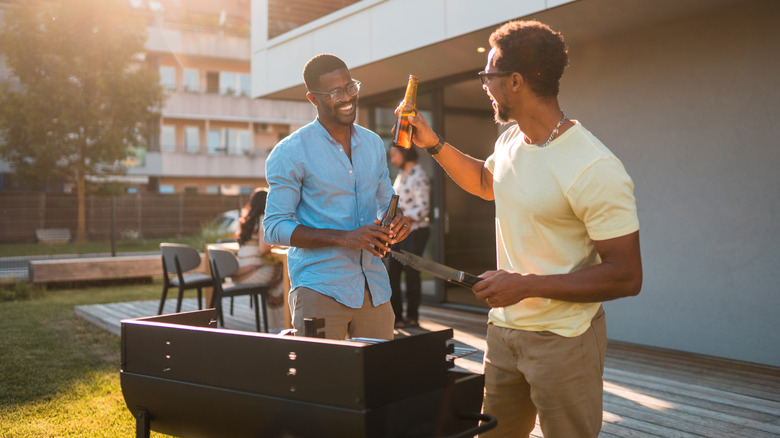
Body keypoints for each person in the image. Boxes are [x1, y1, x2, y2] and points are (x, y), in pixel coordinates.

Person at [405, 20, 643, 438]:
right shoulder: (511, 139)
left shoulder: (594, 167)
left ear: (515, 81)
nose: (483, 84)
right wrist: (433, 143)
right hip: (504, 334)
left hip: (565, 340)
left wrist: (526, 285)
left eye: (488, 75)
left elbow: (626, 275)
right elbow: (484, 182)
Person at [263, 54, 412, 341]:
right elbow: (274, 228)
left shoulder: (372, 144)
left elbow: (386, 200)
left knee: (379, 382)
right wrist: (343, 237)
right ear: (313, 99)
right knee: (322, 383)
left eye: (350, 87)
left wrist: (398, 221)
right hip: (320, 289)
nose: (347, 97)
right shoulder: (290, 152)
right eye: (335, 92)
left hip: (375, 290)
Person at [387, 145, 430, 329]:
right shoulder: (401, 175)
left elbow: (423, 209)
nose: (392, 160)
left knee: (412, 275)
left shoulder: (419, 176)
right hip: (399, 232)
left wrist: (402, 218)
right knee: (392, 275)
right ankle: (397, 318)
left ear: (404, 153)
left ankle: (412, 317)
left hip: (416, 232)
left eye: (394, 155)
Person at [232, 187, 285, 332]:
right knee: (283, 275)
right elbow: (263, 249)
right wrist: (277, 245)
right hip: (251, 273)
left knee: (275, 277)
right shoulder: (263, 219)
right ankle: (281, 324)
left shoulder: (246, 220)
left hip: (238, 273)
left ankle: (274, 323)